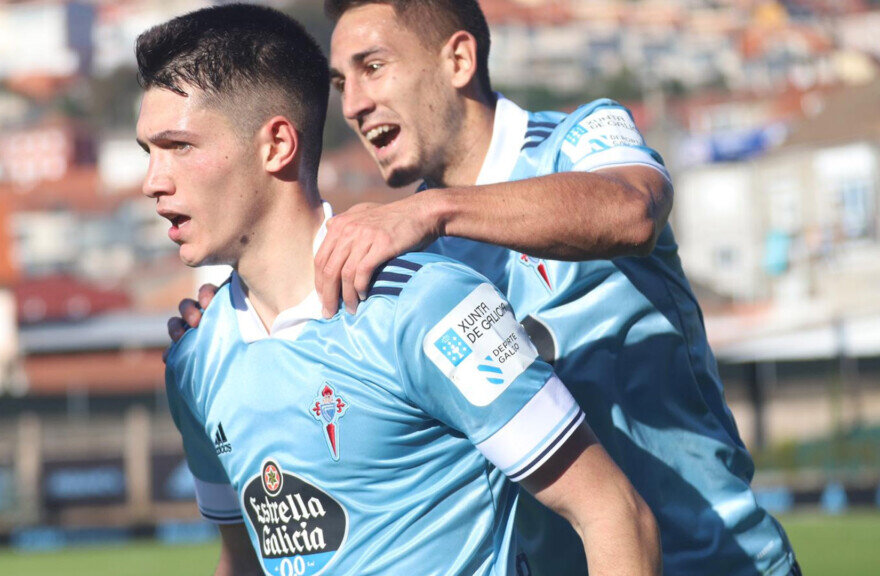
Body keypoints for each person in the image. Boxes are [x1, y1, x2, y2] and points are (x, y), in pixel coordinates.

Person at [170, 1, 800, 575]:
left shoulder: (577, 141)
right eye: (341, 83)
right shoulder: (403, 257)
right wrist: (233, 323)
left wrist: (435, 211)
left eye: (373, 67)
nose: (354, 103)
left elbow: (634, 209)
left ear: (459, 59)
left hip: (720, 561)